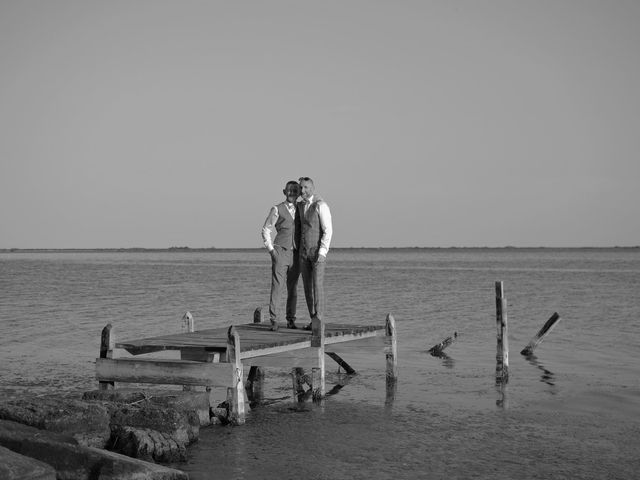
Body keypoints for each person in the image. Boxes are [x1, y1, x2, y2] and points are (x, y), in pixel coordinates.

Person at [261, 180, 301, 331]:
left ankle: (291, 319)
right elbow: (266, 229)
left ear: (298, 193)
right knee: (277, 286)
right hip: (280, 251)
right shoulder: (277, 209)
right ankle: (274, 320)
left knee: (293, 288)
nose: (292, 193)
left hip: (296, 254)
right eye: (289, 190)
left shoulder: (302, 209)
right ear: (284, 192)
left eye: (295, 190)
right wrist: (272, 250)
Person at [296, 177, 333, 329]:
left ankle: (319, 320)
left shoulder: (321, 205)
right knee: (306, 287)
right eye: (301, 188)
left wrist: (323, 252)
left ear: (312, 188)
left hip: (317, 252)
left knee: (317, 285)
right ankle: (313, 320)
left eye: (305, 187)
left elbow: (328, 230)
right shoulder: (299, 206)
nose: (303, 190)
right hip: (303, 252)